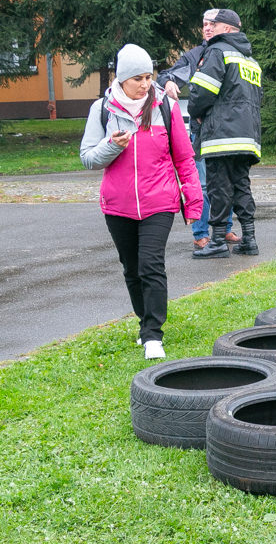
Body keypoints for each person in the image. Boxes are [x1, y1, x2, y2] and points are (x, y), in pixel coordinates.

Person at [80, 44, 203, 360]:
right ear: (122, 79)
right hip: (117, 204)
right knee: (131, 268)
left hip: (159, 201)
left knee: (151, 264)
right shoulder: (103, 109)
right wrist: (111, 146)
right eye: (138, 78)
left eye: (149, 76)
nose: (145, 84)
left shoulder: (165, 106)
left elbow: (185, 158)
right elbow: (88, 158)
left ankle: (153, 336)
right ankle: (143, 321)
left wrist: (192, 204)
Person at [157, 10, 239, 251]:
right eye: (204, 24)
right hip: (202, 132)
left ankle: (224, 230)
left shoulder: (230, 52)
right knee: (203, 184)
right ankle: (201, 234)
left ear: (224, 26)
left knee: (227, 183)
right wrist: (169, 81)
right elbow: (165, 75)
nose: (207, 28)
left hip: (227, 129)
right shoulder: (195, 56)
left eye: (212, 24)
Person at [188, 8, 263, 259]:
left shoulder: (217, 52)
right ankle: (249, 239)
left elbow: (202, 92)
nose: (209, 28)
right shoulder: (251, 61)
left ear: (228, 29)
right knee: (242, 186)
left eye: (215, 24)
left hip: (221, 135)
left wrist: (196, 112)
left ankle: (218, 241)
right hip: (246, 136)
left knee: (218, 187)